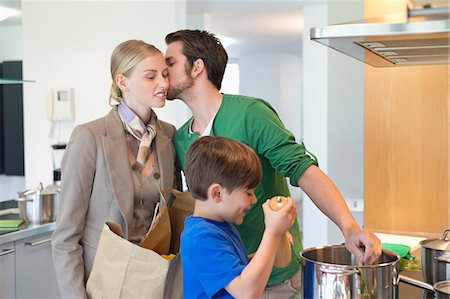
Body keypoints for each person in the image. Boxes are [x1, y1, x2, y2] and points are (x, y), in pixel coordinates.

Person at [164, 29, 381, 298]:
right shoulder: (181, 139)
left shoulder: (250, 114)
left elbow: (303, 170)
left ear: (197, 67)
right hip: (227, 280)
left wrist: (350, 228)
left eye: (170, 63)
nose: (163, 71)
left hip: (274, 278)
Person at [52, 40, 180, 299]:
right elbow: (65, 237)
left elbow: (173, 213)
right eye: (151, 76)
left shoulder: (168, 135)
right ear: (122, 81)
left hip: (156, 282)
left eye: (165, 74)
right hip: (103, 284)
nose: (164, 83)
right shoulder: (90, 136)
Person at [182, 136, 297, 299]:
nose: (254, 199)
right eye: (248, 192)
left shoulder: (220, 225)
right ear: (217, 193)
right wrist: (272, 233)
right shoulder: (201, 237)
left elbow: (281, 262)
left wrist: (277, 237)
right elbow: (246, 292)